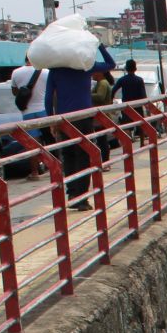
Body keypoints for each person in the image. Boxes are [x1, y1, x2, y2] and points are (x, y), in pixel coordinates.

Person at [43, 41, 115, 209]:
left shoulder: (54, 71)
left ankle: (72, 193)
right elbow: (111, 64)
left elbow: (47, 99)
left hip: (63, 119)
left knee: (68, 155)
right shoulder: (86, 66)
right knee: (84, 155)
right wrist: (100, 46)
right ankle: (82, 198)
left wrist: (50, 120)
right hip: (83, 118)